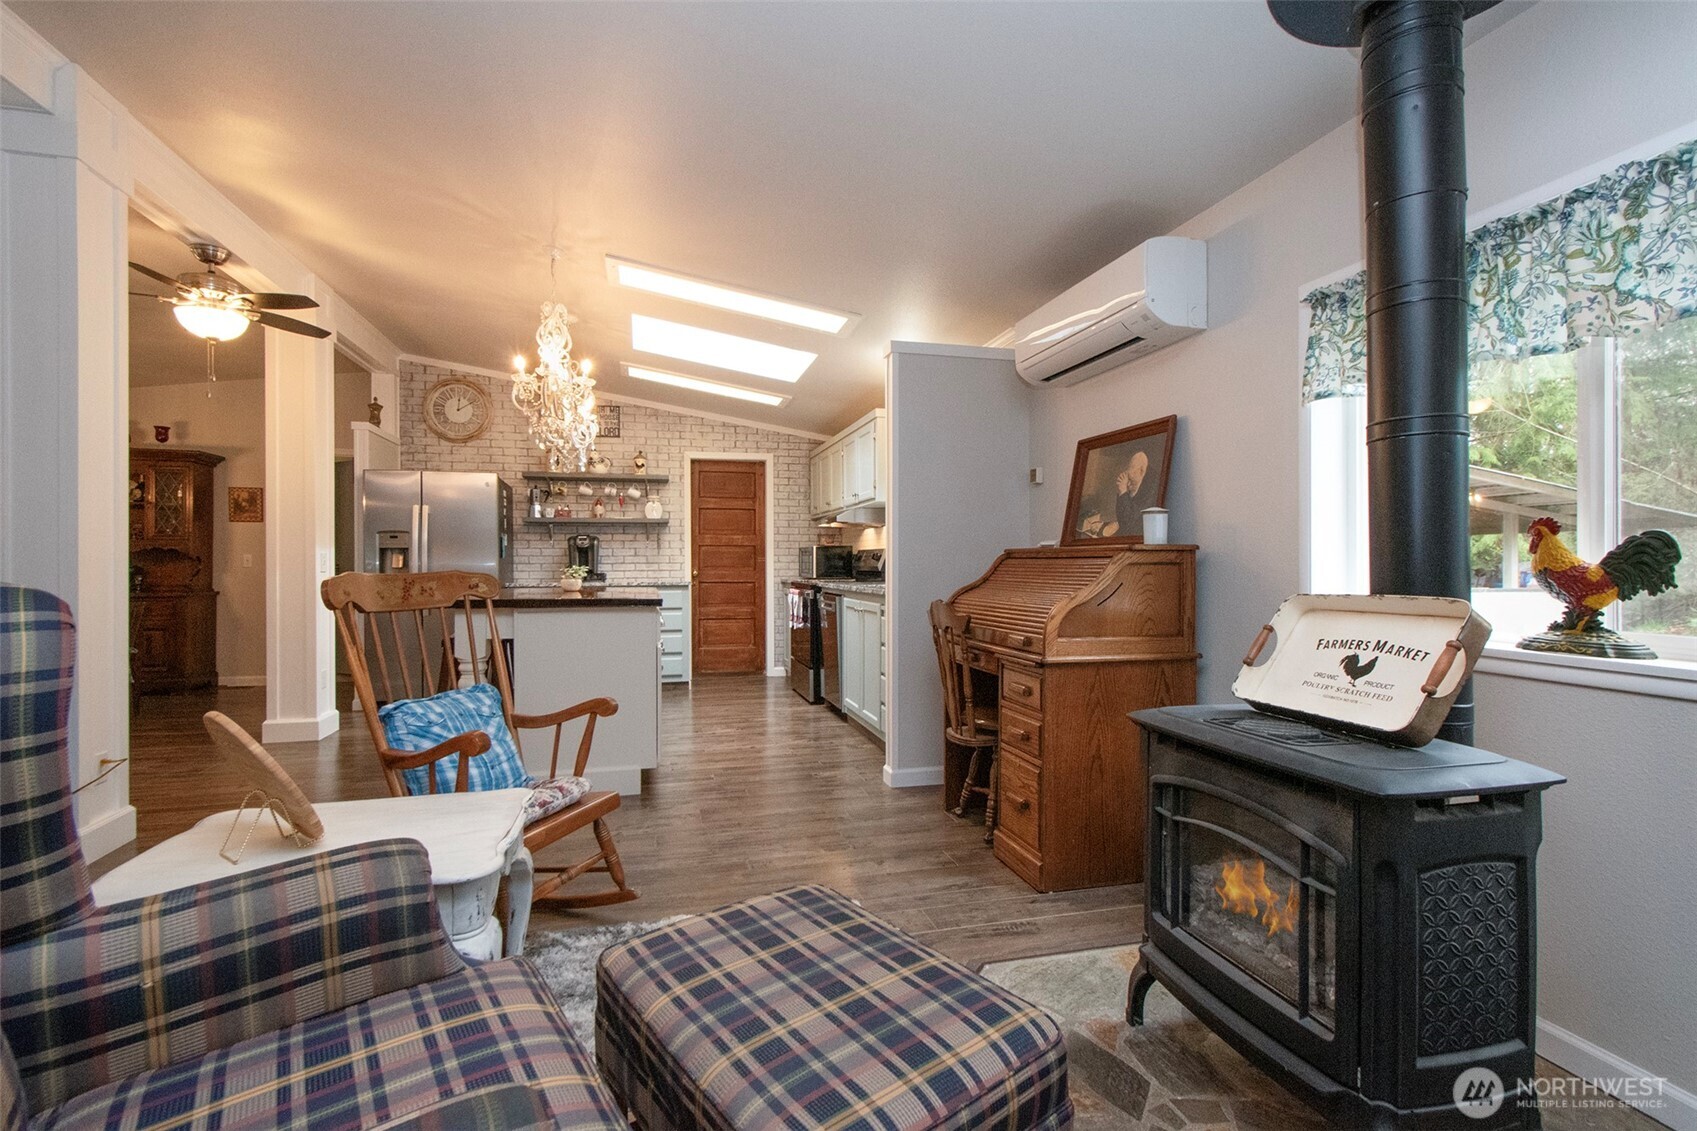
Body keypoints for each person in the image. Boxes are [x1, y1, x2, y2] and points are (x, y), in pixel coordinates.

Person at [1103, 448, 1157, 537]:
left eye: (1131, 468)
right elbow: (1122, 518)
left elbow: (1129, 524)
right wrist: (1123, 493)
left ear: (1142, 470)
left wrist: (1123, 491)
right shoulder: (1134, 484)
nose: (1127, 472)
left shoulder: (1150, 491)